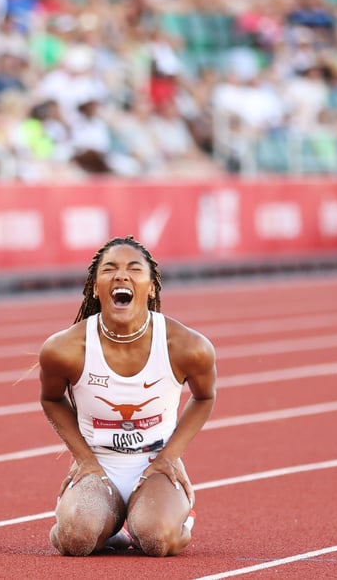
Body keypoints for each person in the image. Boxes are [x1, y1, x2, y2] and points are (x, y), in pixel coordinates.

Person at [37, 236, 217, 557]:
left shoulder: (187, 345)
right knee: (75, 540)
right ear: (95, 288)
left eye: (134, 269)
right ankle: (102, 532)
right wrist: (84, 459)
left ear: (151, 287)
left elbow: (204, 397)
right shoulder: (64, 348)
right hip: (99, 463)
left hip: (154, 463)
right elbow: (51, 399)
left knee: (157, 541)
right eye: (110, 269)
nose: (121, 276)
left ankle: (178, 519)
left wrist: (170, 456)